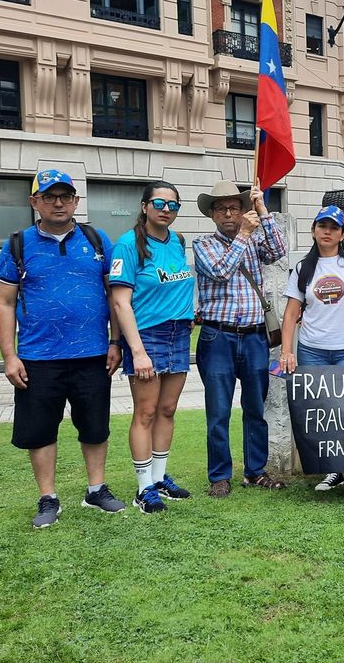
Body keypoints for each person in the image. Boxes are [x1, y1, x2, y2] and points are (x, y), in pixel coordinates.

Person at [0, 169, 126, 528]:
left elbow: (115, 297)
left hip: (94, 355)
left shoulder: (98, 241)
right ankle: (48, 498)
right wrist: (9, 356)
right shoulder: (18, 244)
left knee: (95, 427)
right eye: (49, 196)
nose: (58, 203)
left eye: (65, 196)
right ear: (34, 201)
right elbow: (5, 303)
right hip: (38, 358)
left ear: (76, 202)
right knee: (40, 430)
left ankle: (96, 490)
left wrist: (117, 342)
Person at [279, 205, 344, 504]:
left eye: (334, 227)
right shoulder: (304, 268)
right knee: (323, 414)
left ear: (342, 234)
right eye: (322, 225)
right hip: (312, 350)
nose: (327, 231)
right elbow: (290, 314)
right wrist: (287, 350)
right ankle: (333, 470)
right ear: (314, 230)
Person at [192, 179, 288, 498]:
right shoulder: (203, 244)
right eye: (222, 209)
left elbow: (278, 251)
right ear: (213, 214)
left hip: (254, 337)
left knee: (254, 408)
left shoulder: (254, 237)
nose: (229, 214)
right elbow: (221, 271)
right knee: (218, 411)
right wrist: (246, 233)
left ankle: (255, 471)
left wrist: (262, 209)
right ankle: (220, 475)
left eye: (235, 207)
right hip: (217, 337)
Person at [110, 181, 195, 514]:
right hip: (147, 335)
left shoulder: (177, 241)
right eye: (159, 203)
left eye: (173, 205)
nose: (166, 210)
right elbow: (120, 302)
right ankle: (144, 486)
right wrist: (137, 350)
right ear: (145, 206)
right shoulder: (128, 244)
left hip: (178, 333)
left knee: (168, 409)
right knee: (145, 412)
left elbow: (176, 284)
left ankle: (159, 479)